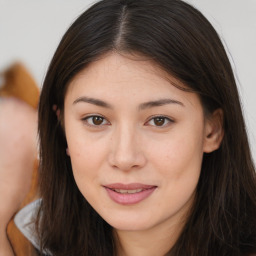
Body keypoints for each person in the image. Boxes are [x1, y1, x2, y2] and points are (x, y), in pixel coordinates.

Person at [10, 0, 256, 255]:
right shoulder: (17, 238)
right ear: (62, 129)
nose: (124, 158)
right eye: (96, 120)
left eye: (159, 120)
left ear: (212, 130)